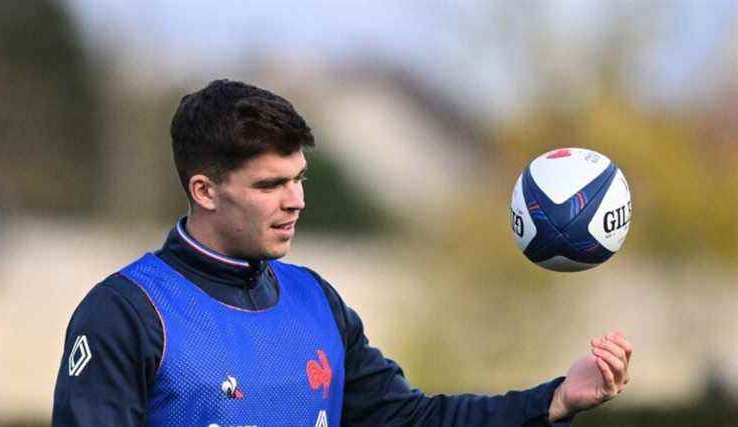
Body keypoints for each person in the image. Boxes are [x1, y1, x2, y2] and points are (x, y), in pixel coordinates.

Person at [52, 79, 632, 426]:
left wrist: (555, 399)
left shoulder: (314, 300)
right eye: (270, 185)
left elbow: (411, 420)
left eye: (298, 178)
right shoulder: (126, 314)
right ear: (204, 190)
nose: (296, 201)